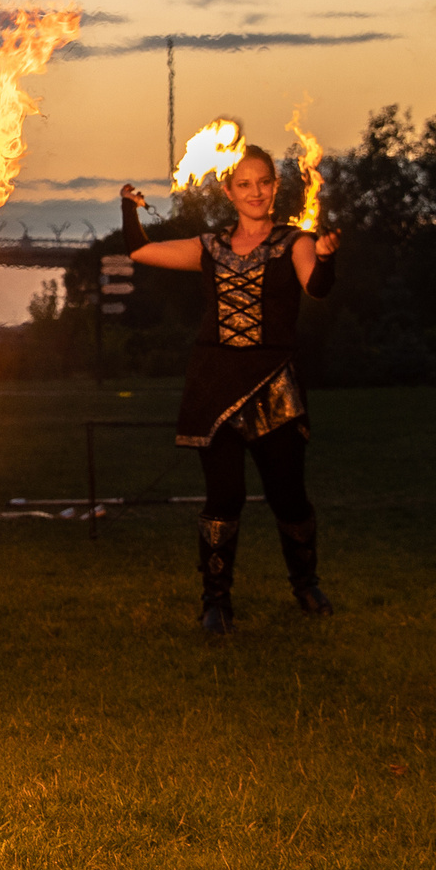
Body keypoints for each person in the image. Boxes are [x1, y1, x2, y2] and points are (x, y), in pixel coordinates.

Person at [119, 145, 338, 634]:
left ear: (275, 187)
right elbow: (140, 250)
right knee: (224, 497)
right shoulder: (210, 247)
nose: (255, 192)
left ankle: (305, 584)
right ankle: (216, 601)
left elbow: (317, 288)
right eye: (244, 184)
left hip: (273, 386)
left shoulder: (294, 242)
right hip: (215, 388)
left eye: (263, 182)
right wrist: (129, 208)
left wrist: (325, 258)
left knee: (288, 497)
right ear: (228, 191)